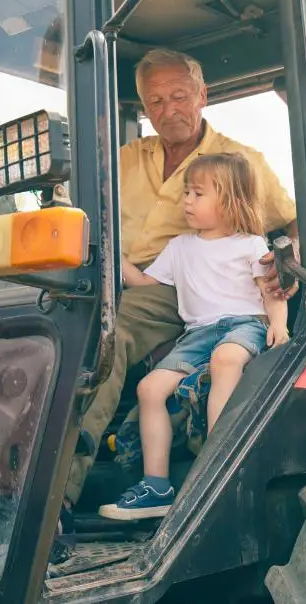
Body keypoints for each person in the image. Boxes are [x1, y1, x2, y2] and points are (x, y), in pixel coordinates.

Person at [55, 48, 299, 549]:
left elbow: (291, 224)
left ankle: (55, 496)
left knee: (107, 328)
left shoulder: (240, 162)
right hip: (123, 275)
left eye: (180, 96)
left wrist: (287, 262)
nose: (169, 110)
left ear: (202, 95)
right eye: (156, 101)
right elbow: (76, 211)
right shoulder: (125, 158)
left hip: (179, 291)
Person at [99, 152, 289, 520]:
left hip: (244, 324)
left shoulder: (250, 244)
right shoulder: (180, 247)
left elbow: (271, 293)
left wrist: (278, 324)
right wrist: (111, 254)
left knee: (226, 359)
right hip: (197, 334)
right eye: (186, 192)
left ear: (230, 199)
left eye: (198, 194)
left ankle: (215, 470)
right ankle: (156, 486)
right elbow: (144, 283)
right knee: (149, 389)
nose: (187, 200)